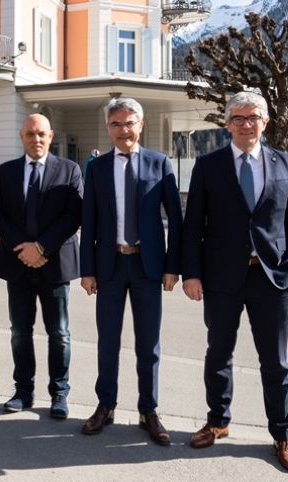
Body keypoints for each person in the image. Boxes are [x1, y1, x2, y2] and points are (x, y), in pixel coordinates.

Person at [182, 91, 288, 472]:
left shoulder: (285, 162)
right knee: (218, 353)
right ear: (227, 124)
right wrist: (192, 273)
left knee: (276, 362)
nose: (245, 124)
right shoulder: (208, 165)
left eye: (253, 117)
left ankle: (283, 433)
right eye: (237, 117)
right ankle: (218, 421)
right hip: (221, 277)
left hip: (272, 279)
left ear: (264, 122)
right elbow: (193, 226)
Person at [79, 98, 183, 446]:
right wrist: (87, 270)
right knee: (107, 340)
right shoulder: (96, 167)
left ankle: (148, 410)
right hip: (108, 265)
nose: (124, 130)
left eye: (129, 123)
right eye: (116, 124)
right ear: (108, 128)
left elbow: (176, 220)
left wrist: (172, 267)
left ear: (141, 124)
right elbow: (89, 220)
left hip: (147, 266)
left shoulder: (159, 163)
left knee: (148, 343)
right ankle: (105, 405)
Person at [0, 113, 82, 419]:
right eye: (30, 133)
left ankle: (59, 394)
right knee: (19, 331)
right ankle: (23, 391)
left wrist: (41, 247)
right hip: (17, 265)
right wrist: (24, 249)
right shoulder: (5, 172)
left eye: (41, 134)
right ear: (22, 137)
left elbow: (73, 216)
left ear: (51, 136)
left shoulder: (69, 170)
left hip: (54, 265)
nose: (36, 139)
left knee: (59, 332)